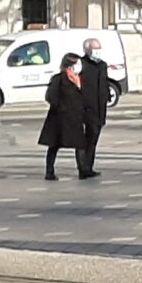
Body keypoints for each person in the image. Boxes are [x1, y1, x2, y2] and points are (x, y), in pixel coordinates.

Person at [41, 51, 91, 181]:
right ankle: (49, 171)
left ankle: (83, 170)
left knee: (80, 144)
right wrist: (62, 107)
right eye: (75, 64)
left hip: (76, 117)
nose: (78, 66)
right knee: (54, 145)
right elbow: (50, 96)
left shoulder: (79, 79)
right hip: (60, 118)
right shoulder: (58, 79)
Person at [76, 36, 112, 181]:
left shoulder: (102, 65)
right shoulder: (81, 64)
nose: (97, 51)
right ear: (87, 50)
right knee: (83, 140)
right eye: (94, 49)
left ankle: (89, 166)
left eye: (99, 48)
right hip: (85, 108)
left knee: (94, 138)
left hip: (99, 108)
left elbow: (104, 83)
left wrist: (107, 96)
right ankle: (83, 168)